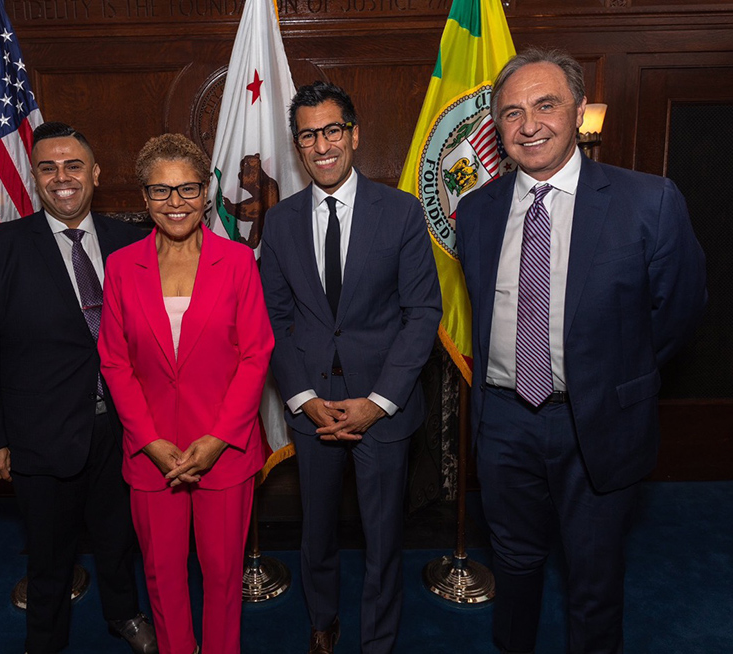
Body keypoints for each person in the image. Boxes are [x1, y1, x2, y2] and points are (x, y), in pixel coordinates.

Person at [455, 48, 707, 654]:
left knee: (594, 580)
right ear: (497, 128)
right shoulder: (475, 212)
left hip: (597, 421)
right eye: (512, 113)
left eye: (546, 105)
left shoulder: (649, 201)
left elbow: (679, 313)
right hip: (504, 419)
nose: (529, 125)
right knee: (513, 569)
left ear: (578, 113)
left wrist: (614, 380)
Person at [0, 122, 157, 654]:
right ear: (34, 178)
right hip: (39, 436)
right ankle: (44, 640)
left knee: (118, 538)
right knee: (47, 556)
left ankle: (125, 614)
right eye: (48, 167)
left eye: (72, 166)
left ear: (94, 174)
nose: (61, 177)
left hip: (124, 428)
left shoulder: (134, 241)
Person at [259, 81, 441, 654]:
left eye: (332, 130)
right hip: (311, 405)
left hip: (383, 409)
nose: (322, 144)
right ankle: (322, 624)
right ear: (298, 146)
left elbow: (422, 314)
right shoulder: (281, 221)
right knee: (316, 533)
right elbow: (275, 319)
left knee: (383, 538)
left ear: (354, 135)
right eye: (309, 134)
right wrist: (303, 399)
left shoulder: (403, 212)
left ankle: (379, 640)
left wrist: (378, 402)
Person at [98, 133, 275, 654]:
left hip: (224, 451)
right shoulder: (121, 267)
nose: (175, 203)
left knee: (223, 580)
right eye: (161, 191)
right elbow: (114, 361)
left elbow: (255, 355)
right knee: (162, 579)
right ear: (144, 198)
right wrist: (150, 442)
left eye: (187, 189)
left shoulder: (239, 263)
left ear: (205, 192)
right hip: (152, 456)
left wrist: (219, 438)